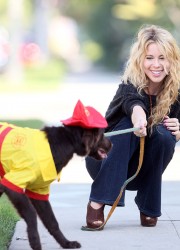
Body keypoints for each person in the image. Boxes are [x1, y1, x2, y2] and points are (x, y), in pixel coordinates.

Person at [84, 24, 180, 229]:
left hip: (141, 170)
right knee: (128, 124)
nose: (156, 64)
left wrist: (179, 131)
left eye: (162, 58)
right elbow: (133, 103)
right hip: (103, 162)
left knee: (165, 135)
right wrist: (138, 118)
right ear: (140, 60)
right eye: (149, 58)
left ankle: (148, 206)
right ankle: (97, 202)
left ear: (172, 60)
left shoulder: (176, 93)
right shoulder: (128, 84)